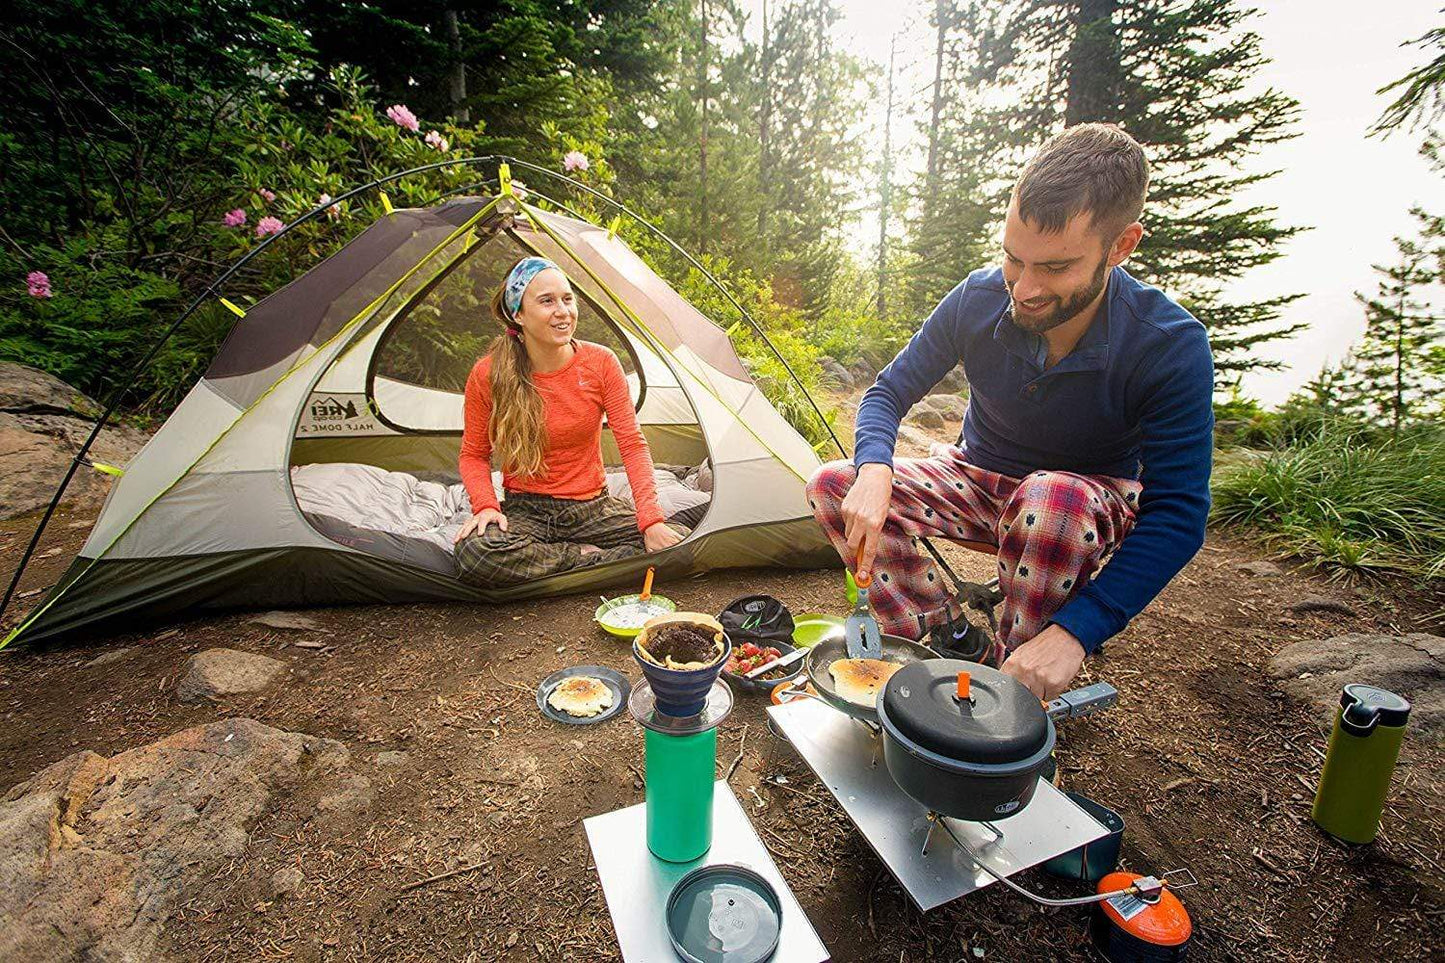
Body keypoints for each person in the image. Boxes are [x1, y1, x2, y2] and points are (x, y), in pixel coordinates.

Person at [806, 123, 1214, 700]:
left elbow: (1179, 514)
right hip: (977, 477)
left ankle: (1009, 691)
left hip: (1080, 504)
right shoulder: (977, 298)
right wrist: (874, 469)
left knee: (1053, 500)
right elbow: (887, 392)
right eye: (1013, 259)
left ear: (1120, 247)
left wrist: (1076, 633)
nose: (1023, 288)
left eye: (1054, 268)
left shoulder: (1167, 343)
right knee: (832, 482)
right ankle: (942, 643)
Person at [454, 256, 685, 585]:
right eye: (547, 301)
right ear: (518, 313)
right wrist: (486, 506)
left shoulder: (601, 362)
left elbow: (632, 445)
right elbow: (474, 454)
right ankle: (585, 558)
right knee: (476, 555)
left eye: (567, 299)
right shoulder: (488, 374)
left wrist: (651, 521)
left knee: (680, 540)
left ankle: (566, 559)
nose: (563, 311)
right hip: (525, 510)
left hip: (592, 509)